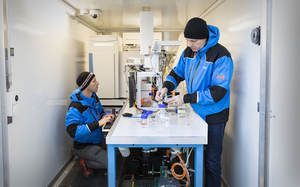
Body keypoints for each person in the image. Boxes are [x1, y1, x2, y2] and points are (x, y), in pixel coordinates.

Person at [155, 17, 234, 187]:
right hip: (196, 113)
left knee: (211, 162)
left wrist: (185, 98)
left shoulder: (221, 56)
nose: (190, 44)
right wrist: (166, 87)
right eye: (188, 40)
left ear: (205, 37)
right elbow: (177, 73)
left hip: (215, 116)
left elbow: (218, 92)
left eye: (194, 41)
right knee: (196, 157)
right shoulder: (189, 52)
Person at [65, 71, 115, 177]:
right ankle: (85, 162)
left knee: (116, 155)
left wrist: (105, 117)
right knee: (111, 162)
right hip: (84, 146)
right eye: (94, 81)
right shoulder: (76, 106)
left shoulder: (94, 98)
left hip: (97, 140)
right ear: (86, 85)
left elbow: (100, 111)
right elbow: (72, 131)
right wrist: (99, 123)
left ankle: (91, 158)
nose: (98, 83)